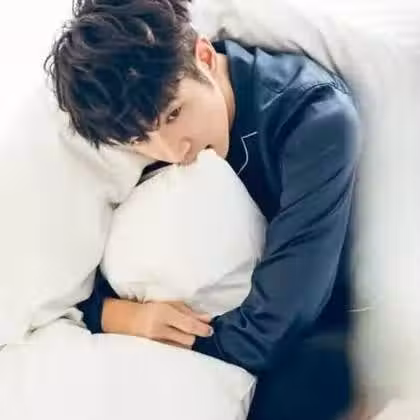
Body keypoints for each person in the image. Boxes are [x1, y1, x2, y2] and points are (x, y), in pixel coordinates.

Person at [45, 0, 361, 419]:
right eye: (140, 139)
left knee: (318, 374)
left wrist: (166, 335)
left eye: (174, 114)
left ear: (206, 57)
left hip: (299, 340)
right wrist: (117, 315)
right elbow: (69, 285)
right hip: (185, 332)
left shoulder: (313, 118)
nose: (173, 151)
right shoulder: (137, 138)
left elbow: (275, 326)